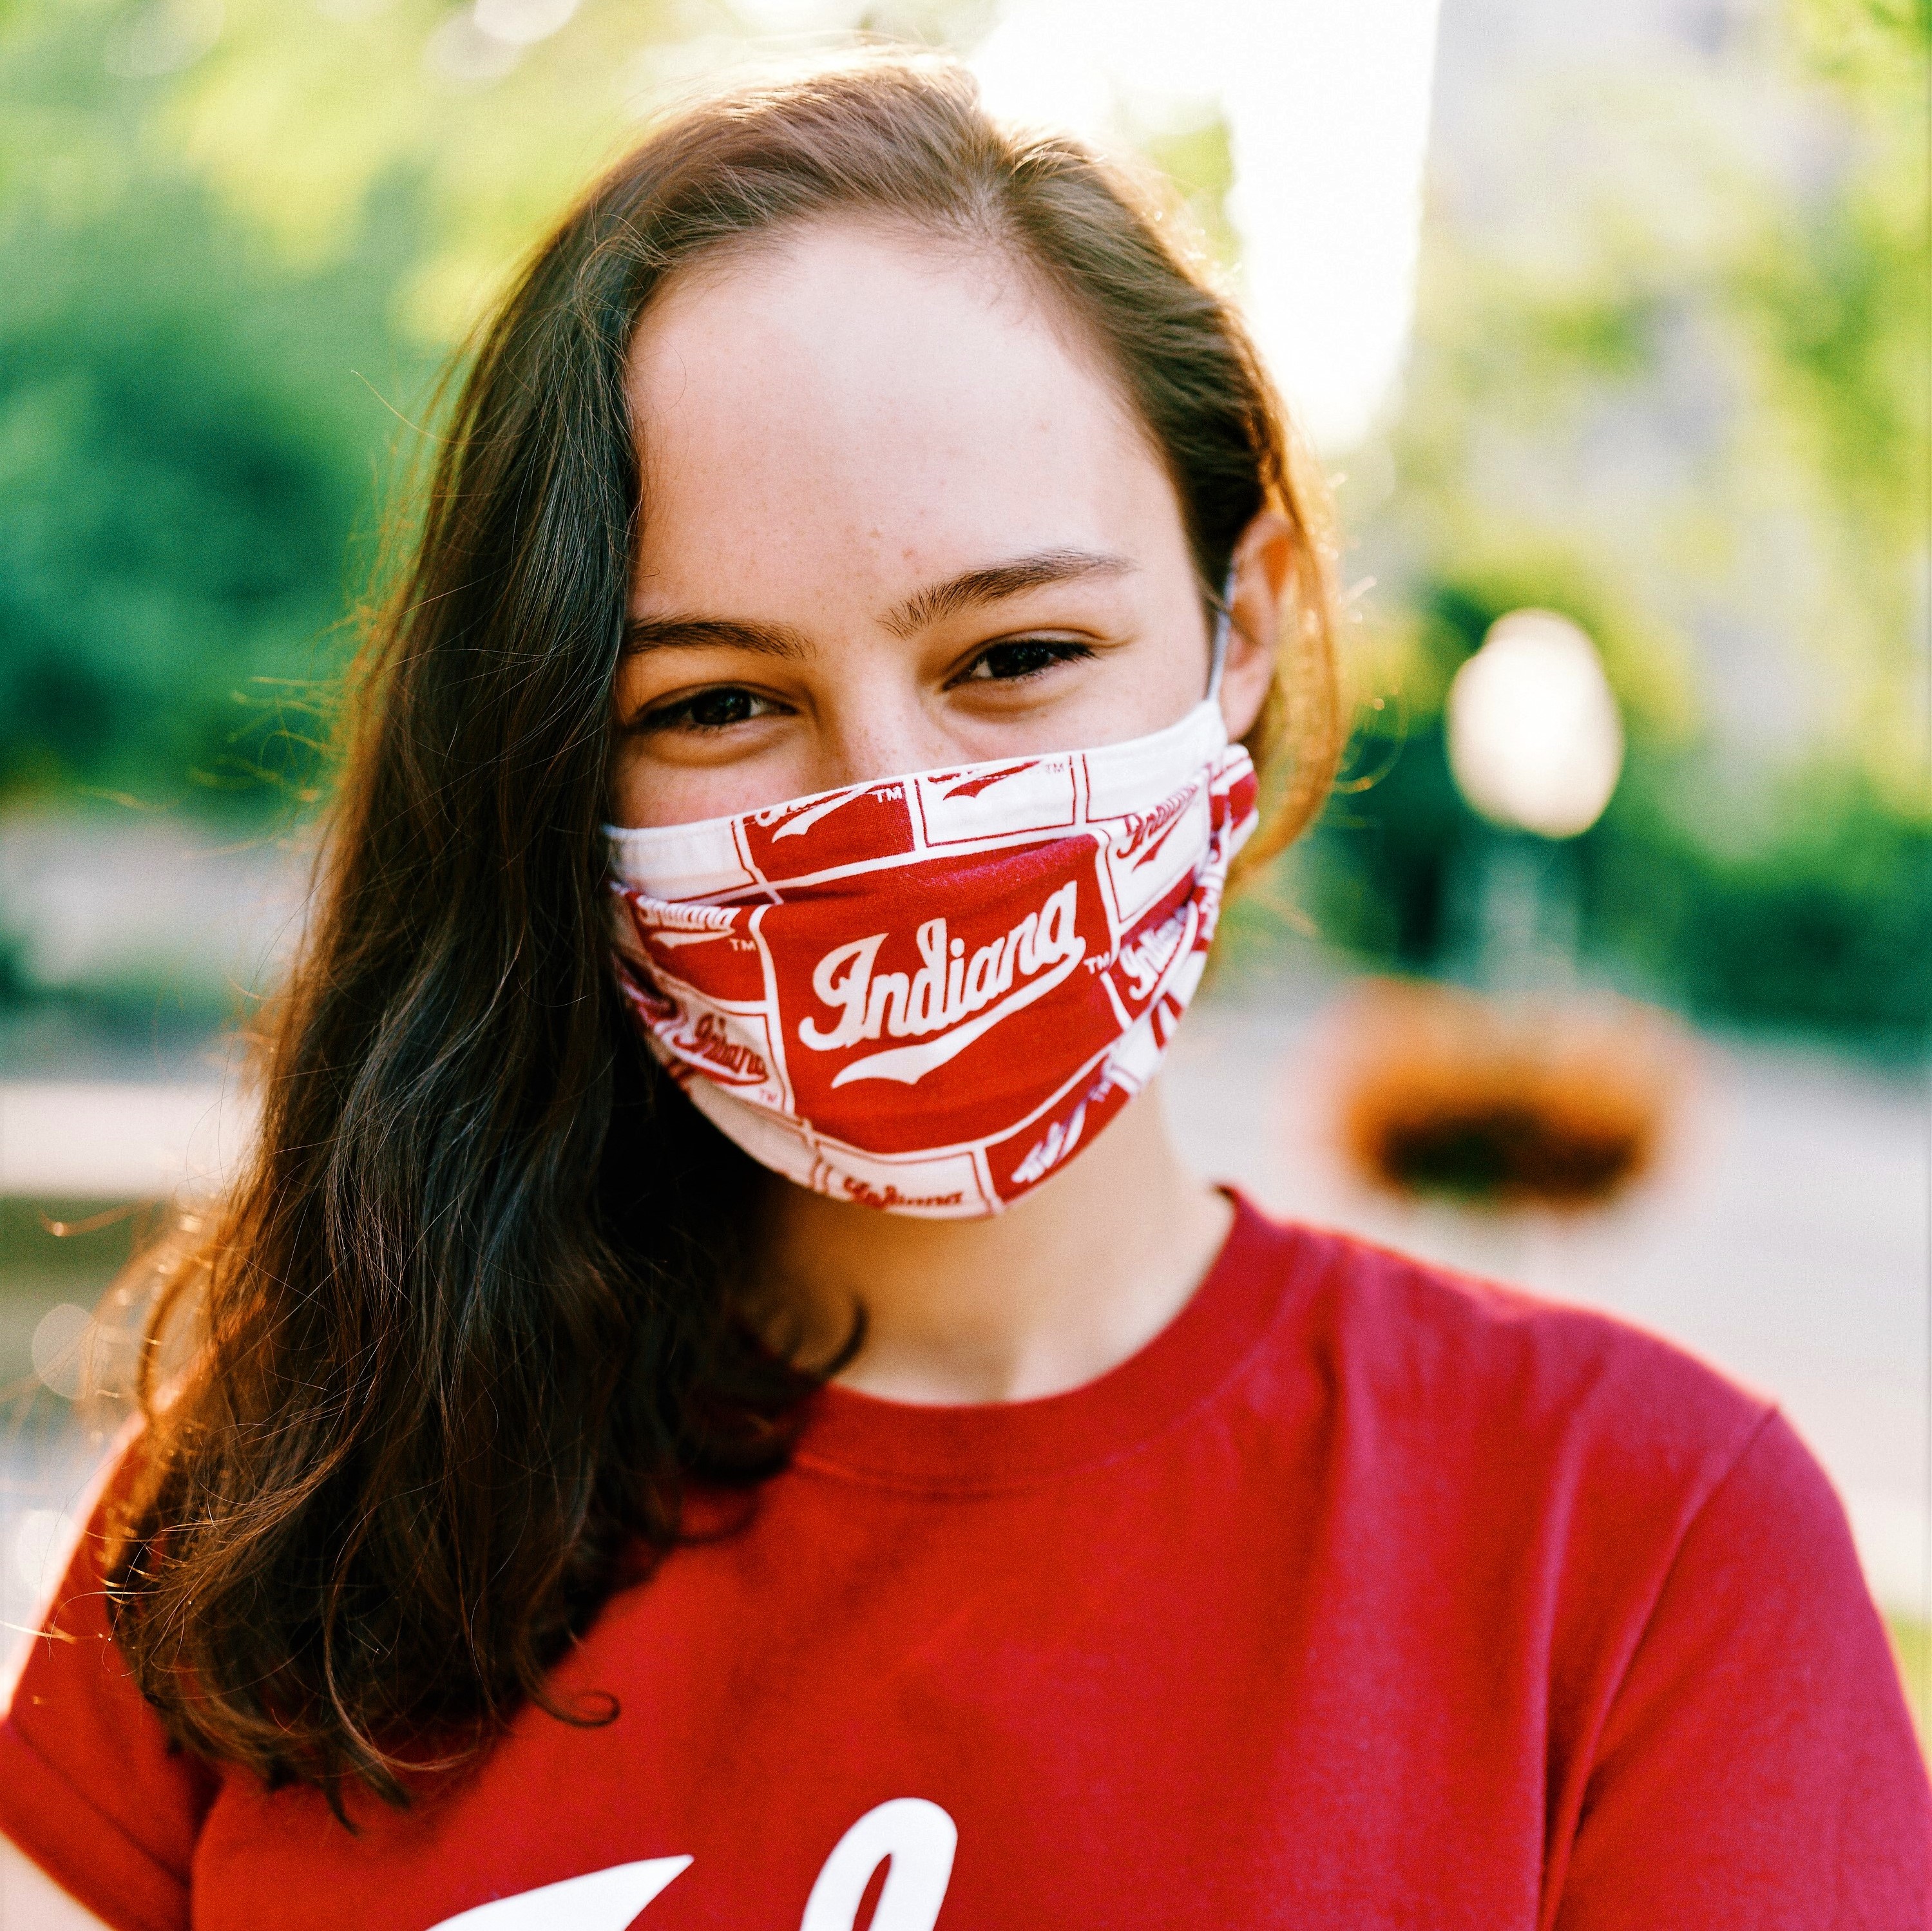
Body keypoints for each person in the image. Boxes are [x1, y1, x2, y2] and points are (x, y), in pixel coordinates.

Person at [1, 52, 1924, 1931]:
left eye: (1015, 655)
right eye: (718, 703)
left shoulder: (1649, 1549)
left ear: (1235, 632)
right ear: (554, 770)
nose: (894, 818)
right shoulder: (299, 1498)